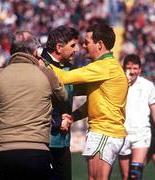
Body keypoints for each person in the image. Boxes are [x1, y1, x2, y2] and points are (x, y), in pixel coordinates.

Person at [50, 23, 128, 180]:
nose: (82, 47)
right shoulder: (107, 67)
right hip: (105, 132)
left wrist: (41, 60)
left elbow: (64, 77)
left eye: (86, 42)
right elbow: (95, 102)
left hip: (104, 131)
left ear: (99, 45)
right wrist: (74, 116)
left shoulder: (103, 66)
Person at [0, 30, 68, 180]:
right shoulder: (45, 74)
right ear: (35, 52)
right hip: (36, 150)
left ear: (11, 50)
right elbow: (63, 97)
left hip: (3, 153)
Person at [41, 25, 79, 180]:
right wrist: (57, 120)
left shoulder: (69, 69)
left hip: (63, 142)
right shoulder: (39, 66)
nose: (76, 50)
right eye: (72, 46)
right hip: (42, 142)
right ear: (59, 47)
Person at [118, 54, 155, 180]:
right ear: (123, 68)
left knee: (135, 174)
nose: (132, 71)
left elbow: (154, 109)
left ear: (140, 69)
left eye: (135, 68)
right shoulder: (117, 85)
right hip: (122, 134)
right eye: (129, 68)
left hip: (141, 134)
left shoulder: (148, 86)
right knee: (125, 176)